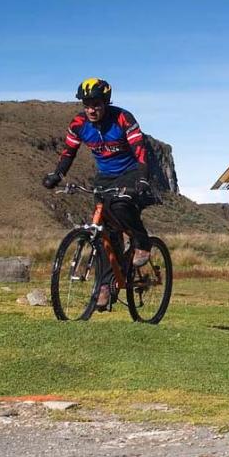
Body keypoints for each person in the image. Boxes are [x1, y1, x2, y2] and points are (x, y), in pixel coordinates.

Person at [42, 78, 156, 309]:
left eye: (96, 104)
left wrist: (143, 178)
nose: (91, 109)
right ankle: (105, 286)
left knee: (120, 205)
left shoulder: (123, 118)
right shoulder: (78, 124)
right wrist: (58, 175)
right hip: (104, 177)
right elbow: (68, 153)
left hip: (132, 171)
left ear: (105, 103)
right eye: (87, 104)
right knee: (104, 234)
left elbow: (140, 149)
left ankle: (142, 242)